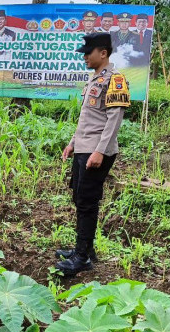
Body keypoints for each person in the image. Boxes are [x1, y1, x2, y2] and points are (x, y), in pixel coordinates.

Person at [56, 32, 130, 275]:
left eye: (88, 53)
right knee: (79, 198)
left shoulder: (115, 80)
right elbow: (87, 118)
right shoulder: (93, 80)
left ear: (103, 53)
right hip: (84, 148)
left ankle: (82, 258)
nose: (85, 57)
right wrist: (72, 143)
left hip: (97, 151)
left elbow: (113, 120)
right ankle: (84, 248)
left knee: (87, 203)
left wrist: (99, 151)